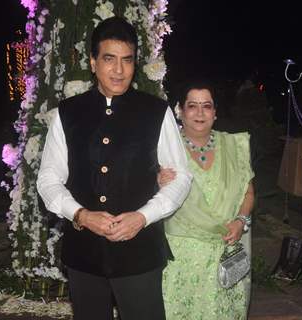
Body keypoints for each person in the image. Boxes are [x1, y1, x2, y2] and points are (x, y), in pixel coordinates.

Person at [36, 17, 192, 320]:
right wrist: (81, 215)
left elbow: (181, 177)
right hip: (84, 254)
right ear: (93, 62)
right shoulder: (68, 113)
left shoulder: (155, 111)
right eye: (109, 59)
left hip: (140, 253)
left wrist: (142, 217)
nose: (119, 70)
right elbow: (48, 179)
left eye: (127, 60)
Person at [159, 80, 255, 320]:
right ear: (179, 111)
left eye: (207, 106)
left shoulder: (234, 145)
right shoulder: (164, 148)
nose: (200, 113)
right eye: (192, 106)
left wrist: (241, 220)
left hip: (226, 251)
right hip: (180, 257)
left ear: (215, 113)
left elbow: (249, 191)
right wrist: (156, 181)